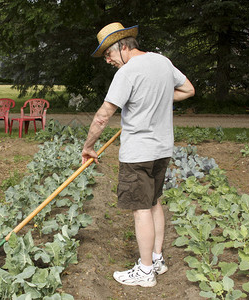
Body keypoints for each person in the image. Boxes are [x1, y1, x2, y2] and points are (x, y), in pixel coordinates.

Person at [81, 22, 195, 287]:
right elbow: (188, 89)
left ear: (123, 46)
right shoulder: (163, 62)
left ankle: (145, 272)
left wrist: (88, 147)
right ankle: (156, 260)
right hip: (162, 149)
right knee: (153, 202)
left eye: (108, 53)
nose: (107, 60)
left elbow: (103, 116)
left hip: (138, 154)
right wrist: (157, 97)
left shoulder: (127, 73)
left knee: (141, 208)